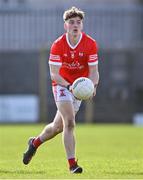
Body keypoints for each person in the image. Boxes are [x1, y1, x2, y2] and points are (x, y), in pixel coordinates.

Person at [23, 6, 99, 174]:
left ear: (82, 25)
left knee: (57, 127)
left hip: (79, 88)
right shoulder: (58, 45)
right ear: (65, 25)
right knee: (69, 122)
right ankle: (72, 165)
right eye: (71, 22)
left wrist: (93, 85)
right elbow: (54, 74)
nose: (75, 25)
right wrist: (69, 86)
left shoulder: (90, 44)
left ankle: (34, 143)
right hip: (62, 85)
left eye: (78, 22)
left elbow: (94, 71)